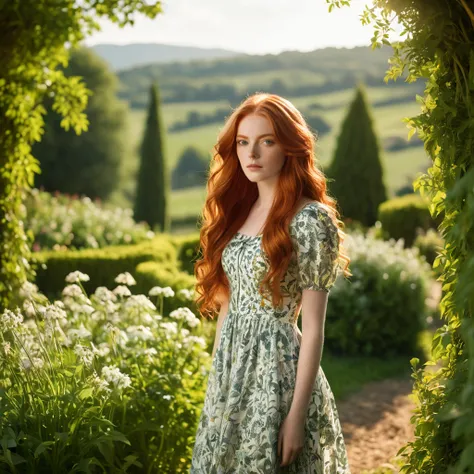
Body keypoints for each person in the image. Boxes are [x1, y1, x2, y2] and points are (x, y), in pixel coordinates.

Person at [190, 92, 352, 473]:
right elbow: (229, 305)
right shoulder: (239, 212)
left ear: (289, 147)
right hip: (231, 373)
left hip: (277, 373)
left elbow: (311, 329)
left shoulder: (310, 220)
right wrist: (217, 383)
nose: (252, 154)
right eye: (244, 142)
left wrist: (295, 417)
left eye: (267, 141)